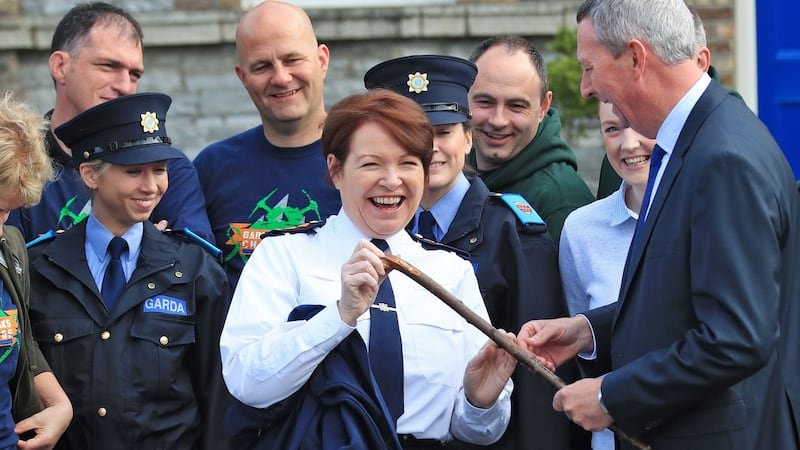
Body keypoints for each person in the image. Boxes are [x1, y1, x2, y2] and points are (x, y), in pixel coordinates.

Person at [520, 1, 800, 449]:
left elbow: (737, 338)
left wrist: (611, 395)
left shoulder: (722, 157)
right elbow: (687, 295)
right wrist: (587, 331)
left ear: (635, 57)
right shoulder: (697, 139)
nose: (588, 88)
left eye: (590, 67)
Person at [221, 89, 516, 448]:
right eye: (372, 164)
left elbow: (478, 432)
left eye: (408, 163)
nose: (392, 181)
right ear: (336, 169)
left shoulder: (450, 271)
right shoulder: (284, 256)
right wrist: (338, 317)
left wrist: (479, 402)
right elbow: (246, 382)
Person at [364, 55, 585, 450]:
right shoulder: (370, 232)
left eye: (445, 131)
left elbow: (539, 378)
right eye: (412, 133)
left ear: (468, 138)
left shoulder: (515, 234)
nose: (430, 148)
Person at [27, 93, 230, 449]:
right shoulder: (41, 268)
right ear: (90, 174)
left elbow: (218, 395)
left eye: (160, 170)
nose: (151, 187)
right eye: (134, 171)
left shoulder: (194, 269)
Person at [8, 2, 213, 244]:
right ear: (60, 66)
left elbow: (199, 271)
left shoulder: (169, 170)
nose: (125, 86)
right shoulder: (15, 160)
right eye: (108, 66)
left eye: (134, 74)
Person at [193, 0, 342, 288]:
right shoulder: (211, 168)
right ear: (242, 77)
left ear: (321, 61)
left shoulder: (365, 157)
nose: (281, 77)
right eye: (262, 66)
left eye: (292, 59)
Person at [558, 101, 655, 450]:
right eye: (612, 129)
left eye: (639, 124)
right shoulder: (581, 230)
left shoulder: (703, 215)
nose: (628, 144)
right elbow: (585, 349)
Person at [467, 35, 595, 246]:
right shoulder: (450, 171)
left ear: (543, 107)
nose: (498, 120)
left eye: (516, 106)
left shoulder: (562, 203)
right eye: (485, 102)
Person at [0, 91, 73, 449]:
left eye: (7, 212)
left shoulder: (11, 246)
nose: (2, 228)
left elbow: (19, 338)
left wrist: (59, 404)